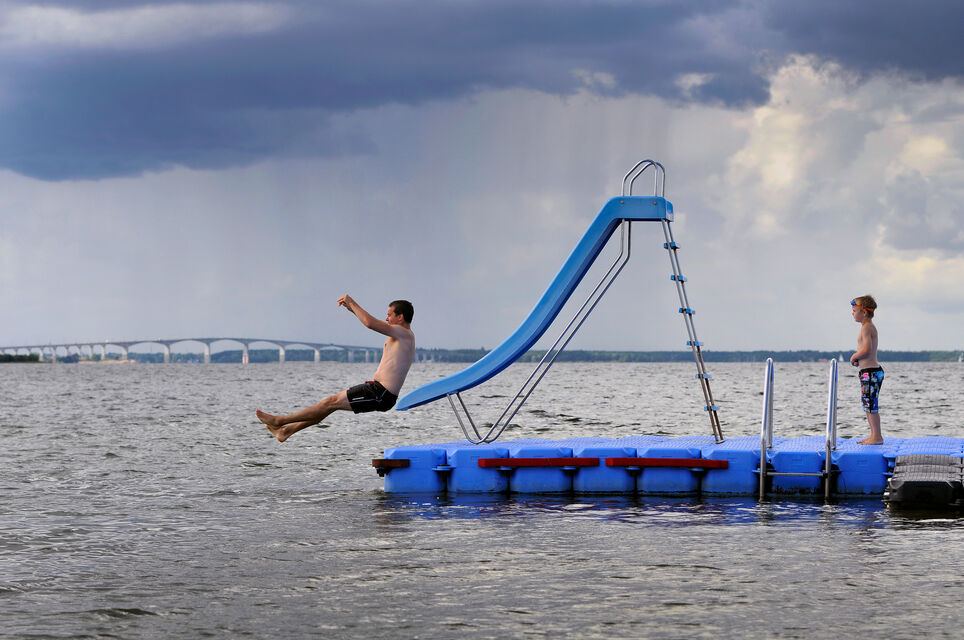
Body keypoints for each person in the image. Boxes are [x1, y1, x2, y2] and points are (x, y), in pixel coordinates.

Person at [256, 295, 415, 442]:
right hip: (378, 391)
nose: (386, 318)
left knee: (330, 402)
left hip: (381, 393)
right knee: (329, 406)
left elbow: (370, 323)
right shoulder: (401, 335)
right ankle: (286, 431)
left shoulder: (403, 333)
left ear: (400, 317)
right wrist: (351, 309)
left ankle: (279, 421)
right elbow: (369, 321)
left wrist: (352, 302)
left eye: (389, 315)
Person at [849, 295, 883, 445]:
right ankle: (873, 435)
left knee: (871, 406)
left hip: (871, 373)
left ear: (863, 312)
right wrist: (859, 360)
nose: (852, 313)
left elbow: (867, 350)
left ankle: (877, 436)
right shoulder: (866, 327)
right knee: (868, 405)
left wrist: (854, 356)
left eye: (854, 310)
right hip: (867, 372)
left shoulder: (867, 327)